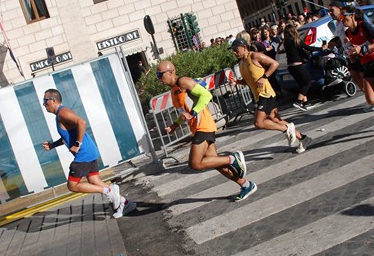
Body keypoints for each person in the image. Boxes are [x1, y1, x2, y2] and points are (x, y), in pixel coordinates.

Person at [155, 61, 257, 202]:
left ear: (171, 71)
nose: (158, 78)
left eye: (160, 74)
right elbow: (184, 112)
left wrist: (194, 113)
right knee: (215, 163)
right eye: (157, 75)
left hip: (203, 125)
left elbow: (206, 96)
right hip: (197, 127)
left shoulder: (183, 81)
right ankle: (246, 185)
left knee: (195, 163)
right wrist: (175, 125)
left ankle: (233, 158)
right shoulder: (174, 91)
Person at [42, 89, 136, 218]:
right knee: (94, 180)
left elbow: (82, 122)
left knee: (73, 186)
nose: (43, 104)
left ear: (53, 101)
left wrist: (77, 144)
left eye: (45, 101)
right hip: (89, 151)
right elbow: (67, 136)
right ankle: (125, 203)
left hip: (84, 153)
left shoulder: (62, 112)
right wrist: (53, 145)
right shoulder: (60, 115)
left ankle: (109, 191)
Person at [229, 38, 312, 154]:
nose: (234, 52)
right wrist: (236, 82)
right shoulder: (241, 64)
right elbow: (249, 81)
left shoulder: (254, 56)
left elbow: (275, 63)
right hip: (259, 95)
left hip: (266, 94)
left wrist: (265, 77)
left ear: (244, 48)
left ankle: (287, 129)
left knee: (258, 123)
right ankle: (303, 138)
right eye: (233, 50)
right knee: (275, 119)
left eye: (236, 50)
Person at [328, 1, 364, 94]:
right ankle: (369, 98)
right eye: (329, 11)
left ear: (340, 8)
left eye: (332, 10)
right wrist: (333, 43)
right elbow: (342, 39)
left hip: (356, 51)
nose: (330, 13)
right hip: (348, 53)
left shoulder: (347, 21)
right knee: (354, 76)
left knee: (364, 76)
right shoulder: (338, 23)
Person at [342, 5, 374, 108]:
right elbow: (356, 49)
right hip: (366, 65)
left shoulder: (364, 26)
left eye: (343, 16)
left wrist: (365, 48)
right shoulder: (348, 33)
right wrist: (352, 55)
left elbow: (363, 48)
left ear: (351, 16)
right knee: (370, 99)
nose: (341, 20)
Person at [283, 22, 315, 110]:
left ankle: (306, 103)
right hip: (297, 65)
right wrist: (321, 48)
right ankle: (299, 101)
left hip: (291, 67)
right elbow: (307, 48)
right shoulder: (295, 40)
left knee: (302, 84)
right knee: (308, 82)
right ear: (293, 31)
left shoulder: (285, 42)